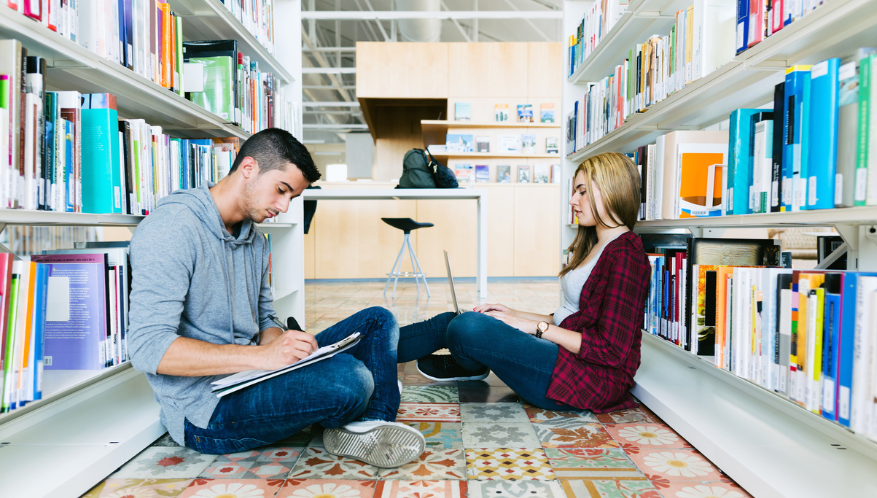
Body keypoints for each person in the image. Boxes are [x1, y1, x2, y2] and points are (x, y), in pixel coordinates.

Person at [128, 128, 425, 467]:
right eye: (281, 190)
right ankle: (366, 408)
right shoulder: (172, 228)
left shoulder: (253, 240)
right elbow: (147, 348)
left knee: (378, 320)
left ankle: (371, 424)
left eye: (292, 198)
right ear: (249, 168)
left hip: (253, 373)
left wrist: (283, 346)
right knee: (353, 378)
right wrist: (262, 358)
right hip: (206, 409)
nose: (283, 206)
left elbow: (266, 318)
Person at [400, 152, 651, 412]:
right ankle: (371, 347)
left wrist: (534, 327)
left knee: (468, 326)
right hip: (564, 358)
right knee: (458, 319)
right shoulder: (598, 243)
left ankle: (471, 362)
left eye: (582, 191)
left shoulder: (626, 255)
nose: (572, 200)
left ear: (611, 190)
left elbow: (610, 350)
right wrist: (513, 314)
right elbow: (574, 318)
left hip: (588, 380)